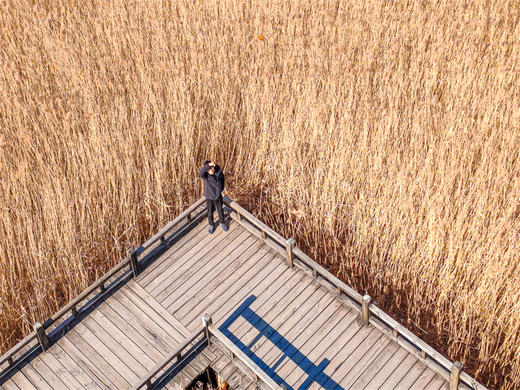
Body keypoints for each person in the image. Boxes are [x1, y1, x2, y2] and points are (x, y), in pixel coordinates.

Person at [199, 160, 228, 234]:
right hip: (209, 196)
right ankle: (211, 224)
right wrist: (208, 165)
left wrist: (221, 189)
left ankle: (222, 222)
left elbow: (222, 179)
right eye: (208, 169)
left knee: (220, 209)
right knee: (210, 211)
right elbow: (201, 173)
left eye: (212, 168)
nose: (211, 170)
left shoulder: (219, 173)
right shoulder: (206, 176)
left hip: (218, 195)